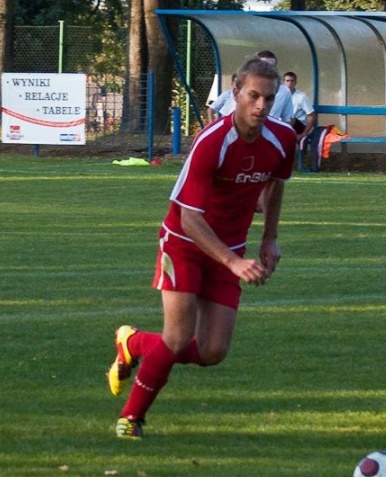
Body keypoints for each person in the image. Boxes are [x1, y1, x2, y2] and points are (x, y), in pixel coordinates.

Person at [105, 56, 296, 440]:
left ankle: (135, 342)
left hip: (233, 249)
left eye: (269, 99)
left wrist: (269, 238)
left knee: (212, 351)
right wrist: (233, 262)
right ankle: (131, 419)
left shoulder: (283, 139)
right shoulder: (212, 141)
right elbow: (189, 217)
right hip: (184, 244)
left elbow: (276, 185)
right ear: (236, 93)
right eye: (254, 96)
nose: (261, 106)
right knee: (177, 338)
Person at [283, 71, 317, 168]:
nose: (289, 83)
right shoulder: (279, 96)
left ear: (295, 82)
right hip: (285, 125)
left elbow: (311, 115)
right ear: (283, 82)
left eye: (292, 81)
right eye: (287, 81)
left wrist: (304, 133)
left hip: (298, 125)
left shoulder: (301, 97)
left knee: (291, 118)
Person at [257, 50, 294, 125]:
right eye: (263, 66)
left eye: (271, 67)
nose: (268, 69)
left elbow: (287, 120)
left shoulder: (284, 91)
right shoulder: (244, 87)